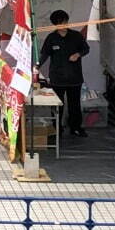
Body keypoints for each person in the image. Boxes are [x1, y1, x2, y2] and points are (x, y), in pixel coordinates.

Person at [38, 8, 90, 138]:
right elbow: (44, 54)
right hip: (57, 78)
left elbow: (86, 49)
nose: (64, 26)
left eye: (65, 22)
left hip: (74, 78)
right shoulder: (51, 38)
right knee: (57, 105)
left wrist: (78, 54)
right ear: (55, 25)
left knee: (75, 105)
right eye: (60, 23)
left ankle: (76, 127)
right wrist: (37, 66)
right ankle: (57, 128)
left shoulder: (76, 36)